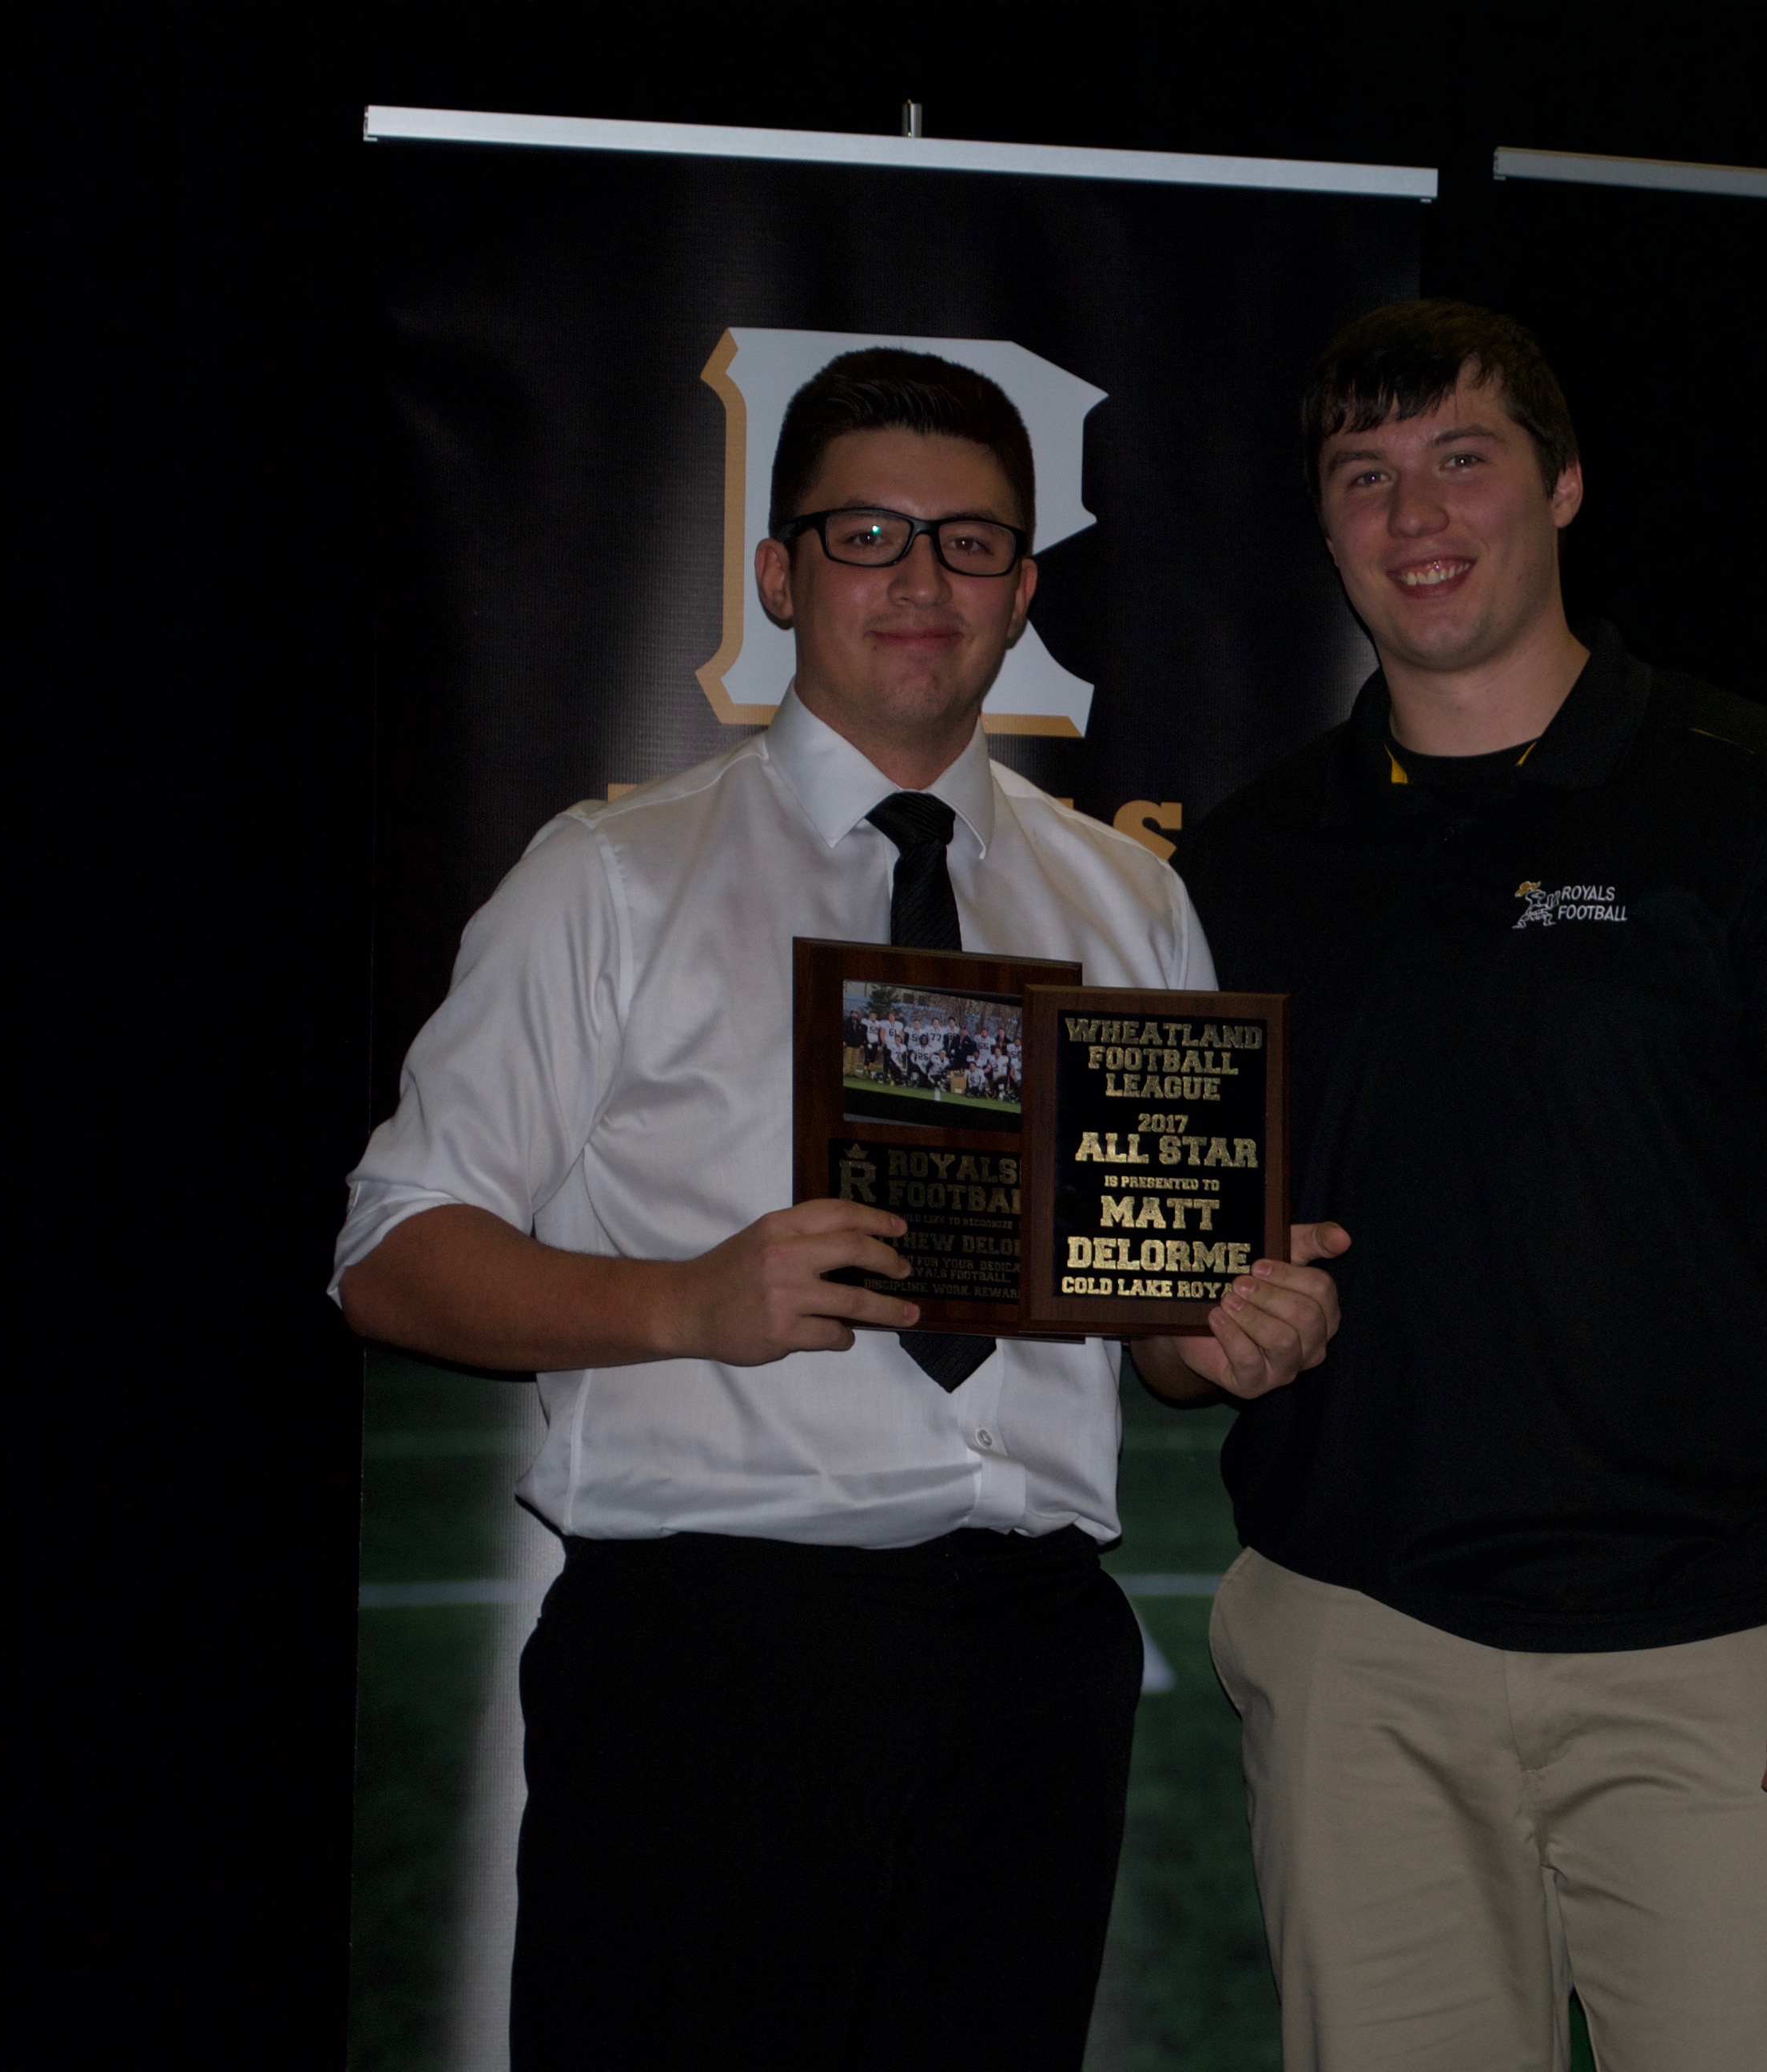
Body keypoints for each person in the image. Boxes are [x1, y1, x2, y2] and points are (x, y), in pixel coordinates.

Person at [333, 347, 1347, 2071]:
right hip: (707, 1654)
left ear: (1023, 592)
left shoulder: (1127, 899)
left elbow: (1158, 1334)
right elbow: (388, 1252)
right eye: (868, 534)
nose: (921, 580)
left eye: (971, 543)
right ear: (779, 572)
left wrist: (1231, 1330)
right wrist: (683, 1303)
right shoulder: (613, 877)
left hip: (1032, 1655)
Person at [1172, 301, 1767, 2072]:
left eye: (1463, 457)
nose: (1415, 514)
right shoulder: (1242, 861)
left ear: (1565, 485)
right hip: (1356, 1650)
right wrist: (1194, 1335)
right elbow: (1173, 1291)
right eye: (1363, 474)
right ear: (1323, 526)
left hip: (1725, 1656)